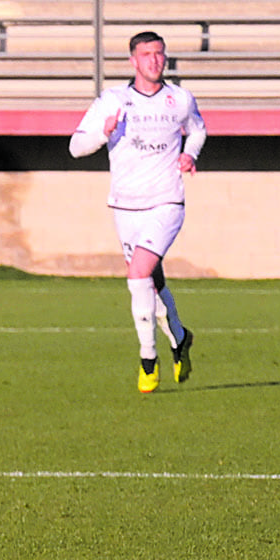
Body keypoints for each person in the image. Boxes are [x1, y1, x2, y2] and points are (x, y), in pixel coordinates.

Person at [70, 30, 205, 395]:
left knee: (138, 273)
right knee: (152, 283)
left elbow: (197, 131)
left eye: (159, 54)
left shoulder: (179, 99)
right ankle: (179, 337)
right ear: (133, 60)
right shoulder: (113, 100)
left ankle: (148, 360)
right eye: (147, 55)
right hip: (125, 206)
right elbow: (76, 146)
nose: (155, 61)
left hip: (166, 201)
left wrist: (189, 154)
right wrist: (103, 133)